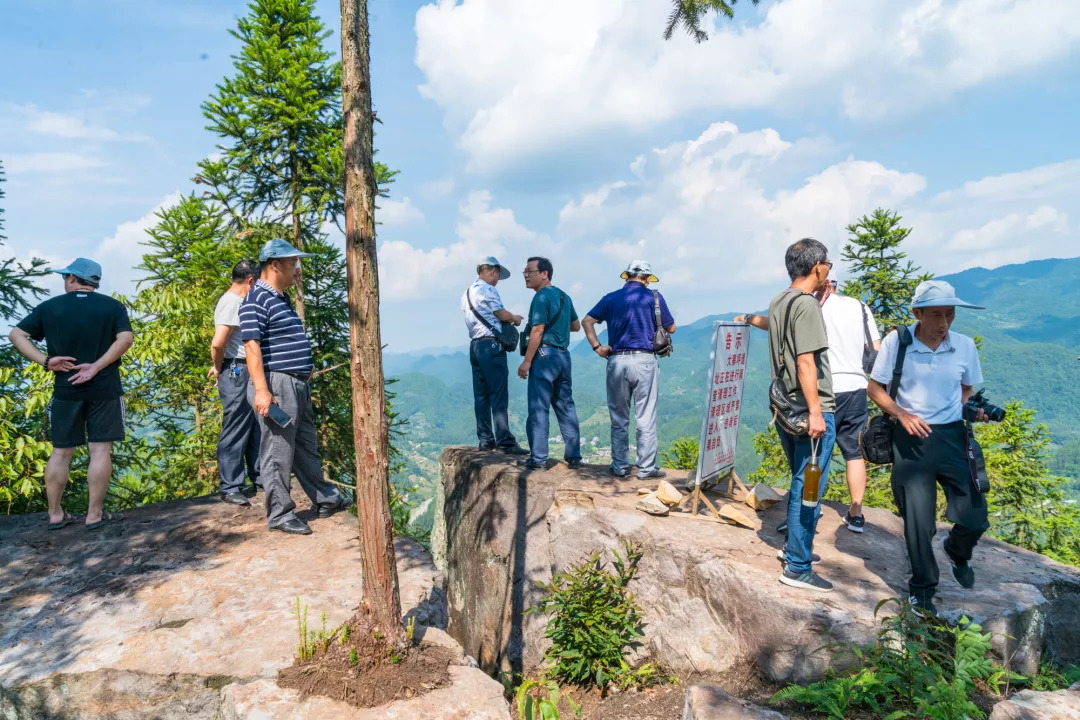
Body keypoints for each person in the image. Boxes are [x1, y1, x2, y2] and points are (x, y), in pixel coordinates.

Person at [867, 280, 990, 617]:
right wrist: (902, 414)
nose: (944, 323)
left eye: (950, 315)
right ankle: (922, 590)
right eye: (936, 315)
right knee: (918, 523)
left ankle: (957, 550)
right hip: (911, 441)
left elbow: (966, 389)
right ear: (917, 313)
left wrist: (968, 411)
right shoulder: (898, 342)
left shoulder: (963, 346)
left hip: (953, 438)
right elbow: (875, 388)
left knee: (976, 516)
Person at [738, 278, 881, 532]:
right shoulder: (860, 307)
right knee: (853, 451)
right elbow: (875, 348)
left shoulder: (810, 306)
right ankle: (856, 514)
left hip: (824, 391)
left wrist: (748, 318)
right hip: (856, 386)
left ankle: (805, 519)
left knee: (810, 458)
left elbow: (775, 326)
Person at [8, 258, 133, 530]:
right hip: (105, 388)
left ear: (73, 278)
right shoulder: (112, 307)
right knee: (100, 451)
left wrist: (45, 360)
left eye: (65, 277)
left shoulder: (51, 307)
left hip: (65, 389)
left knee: (61, 453)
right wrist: (97, 366)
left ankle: (55, 515)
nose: (64, 281)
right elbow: (125, 339)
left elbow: (16, 335)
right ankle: (94, 515)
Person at [240, 239, 348, 535]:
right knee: (277, 450)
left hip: (294, 383)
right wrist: (262, 391)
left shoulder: (279, 297)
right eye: (292, 263)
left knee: (304, 444)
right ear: (274, 264)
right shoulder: (256, 300)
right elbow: (251, 346)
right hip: (276, 384)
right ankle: (279, 513)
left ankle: (325, 498)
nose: (297, 269)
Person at [766, 238, 837, 592]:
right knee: (809, 488)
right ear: (817, 267)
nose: (828, 272)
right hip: (810, 409)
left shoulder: (780, 300)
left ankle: (793, 550)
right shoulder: (807, 305)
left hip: (784, 407)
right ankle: (797, 566)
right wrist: (817, 412)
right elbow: (806, 361)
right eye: (828, 266)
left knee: (799, 481)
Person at [582, 260, 676, 479]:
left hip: (616, 360)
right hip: (645, 360)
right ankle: (646, 468)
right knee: (646, 416)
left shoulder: (611, 298)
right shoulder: (654, 297)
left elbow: (587, 321)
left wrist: (597, 346)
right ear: (646, 278)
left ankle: (620, 466)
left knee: (618, 417)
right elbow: (671, 327)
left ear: (626, 276)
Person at [516, 257, 582, 470]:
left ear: (544, 274)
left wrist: (526, 362)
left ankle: (538, 459)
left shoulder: (540, 298)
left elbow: (537, 331)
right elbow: (576, 326)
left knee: (539, 408)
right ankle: (574, 457)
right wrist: (559, 328)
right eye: (524, 272)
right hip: (564, 356)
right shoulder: (565, 297)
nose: (526, 275)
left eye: (530, 271)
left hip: (544, 356)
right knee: (566, 406)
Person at [460, 256, 528, 455]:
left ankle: (485, 439)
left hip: (475, 346)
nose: (497, 279)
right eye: (497, 274)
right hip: (491, 346)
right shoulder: (488, 289)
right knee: (498, 394)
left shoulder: (466, 293)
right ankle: (505, 441)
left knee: (481, 396)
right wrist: (515, 318)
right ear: (491, 271)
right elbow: (501, 314)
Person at [209, 259, 262, 506]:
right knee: (237, 425)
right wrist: (218, 367)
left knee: (254, 424)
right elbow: (218, 342)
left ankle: (259, 478)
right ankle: (230, 486)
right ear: (250, 280)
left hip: (244, 368)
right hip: (236, 369)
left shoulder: (238, 300)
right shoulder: (231, 302)